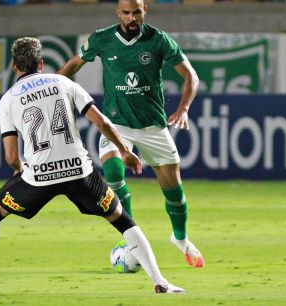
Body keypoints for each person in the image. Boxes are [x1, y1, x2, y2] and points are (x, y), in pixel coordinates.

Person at [0, 37, 185, 295]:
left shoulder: (8, 100)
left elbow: (11, 156)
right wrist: (125, 151)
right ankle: (160, 282)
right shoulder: (63, 82)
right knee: (121, 219)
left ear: (14, 67)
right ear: (42, 63)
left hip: (39, 176)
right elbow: (101, 122)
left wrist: (21, 167)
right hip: (80, 171)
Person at [58, 0, 204, 268]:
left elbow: (191, 76)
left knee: (174, 192)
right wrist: (56, 88)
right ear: (118, 13)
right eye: (126, 12)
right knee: (113, 171)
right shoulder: (102, 39)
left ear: (145, 10)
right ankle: (133, 238)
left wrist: (183, 109)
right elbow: (73, 66)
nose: (131, 17)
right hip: (116, 125)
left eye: (136, 11)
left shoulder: (159, 40)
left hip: (152, 125)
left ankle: (180, 239)